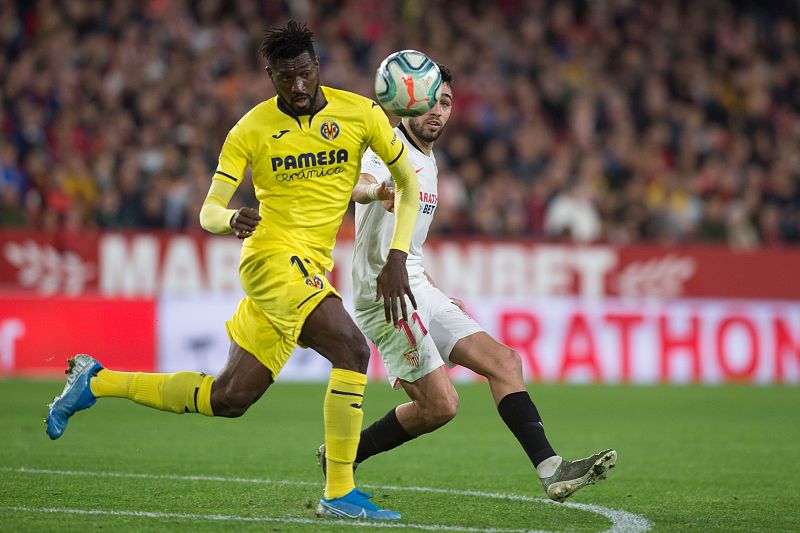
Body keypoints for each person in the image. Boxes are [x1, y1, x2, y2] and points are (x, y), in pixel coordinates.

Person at [44, 21, 422, 521]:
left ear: (317, 68)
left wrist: (396, 251)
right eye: (286, 78)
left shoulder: (361, 114)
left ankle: (95, 381)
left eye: (305, 73)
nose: (299, 86)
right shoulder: (250, 129)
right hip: (269, 260)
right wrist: (230, 218)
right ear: (270, 75)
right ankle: (339, 490)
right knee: (352, 350)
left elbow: (407, 183)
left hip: (310, 266)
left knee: (229, 397)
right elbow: (208, 210)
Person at [318, 64, 616, 502]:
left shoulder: (430, 162)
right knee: (441, 407)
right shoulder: (388, 147)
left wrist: (435, 291)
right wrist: (376, 191)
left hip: (416, 285)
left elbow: (409, 244)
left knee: (506, 362)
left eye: (446, 103)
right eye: (429, 102)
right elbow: (358, 186)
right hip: (386, 296)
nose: (437, 111)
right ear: (407, 104)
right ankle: (346, 453)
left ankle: (552, 469)